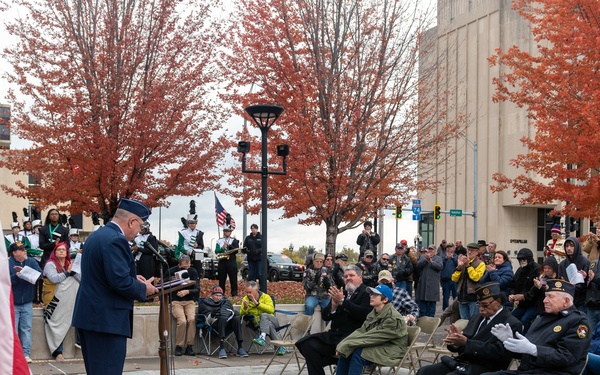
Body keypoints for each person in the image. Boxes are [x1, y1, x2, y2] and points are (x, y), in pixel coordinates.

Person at [72, 198, 158, 375]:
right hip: (106, 321)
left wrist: (133, 277)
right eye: (140, 226)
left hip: (93, 317)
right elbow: (119, 282)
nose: (139, 231)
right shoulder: (115, 240)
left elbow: (102, 274)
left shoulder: (98, 236)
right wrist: (144, 289)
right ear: (131, 221)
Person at [486, 279, 591, 375]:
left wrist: (535, 350)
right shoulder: (542, 318)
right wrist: (510, 342)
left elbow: (568, 357)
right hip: (528, 371)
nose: (545, 300)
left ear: (566, 301)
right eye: (545, 296)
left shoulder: (577, 321)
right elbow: (526, 354)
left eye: (550, 296)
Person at [416, 282, 523, 375]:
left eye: (485, 305)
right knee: (425, 371)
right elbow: (464, 342)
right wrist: (455, 341)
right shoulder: (477, 318)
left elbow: (500, 352)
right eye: (479, 305)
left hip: (485, 366)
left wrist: (467, 343)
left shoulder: (511, 322)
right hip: (463, 362)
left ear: (498, 302)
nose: (481, 309)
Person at [296, 264, 372, 375]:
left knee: (337, 350)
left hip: (352, 337)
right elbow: (325, 316)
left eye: (351, 275)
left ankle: (335, 360)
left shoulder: (366, 292)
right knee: (307, 344)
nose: (348, 278)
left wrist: (342, 302)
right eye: (345, 276)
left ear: (360, 277)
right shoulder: (343, 292)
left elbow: (363, 314)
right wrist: (333, 306)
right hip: (334, 335)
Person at [335, 284, 408, 375]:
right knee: (347, 351)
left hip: (392, 349)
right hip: (379, 345)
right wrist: (343, 343)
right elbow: (361, 331)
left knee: (359, 352)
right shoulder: (373, 313)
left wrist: (348, 344)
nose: (371, 296)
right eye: (371, 294)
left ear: (385, 300)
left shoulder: (393, 318)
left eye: (376, 295)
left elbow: (374, 337)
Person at [43, 242, 81, 361]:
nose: (61, 251)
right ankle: (57, 352)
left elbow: (81, 279)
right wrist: (67, 273)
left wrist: (73, 272)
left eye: (63, 250)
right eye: (59, 250)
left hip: (69, 298)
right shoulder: (50, 264)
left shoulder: (71, 263)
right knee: (55, 323)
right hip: (54, 298)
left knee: (79, 316)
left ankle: (80, 342)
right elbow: (54, 279)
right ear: (54, 252)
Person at [9, 242, 42, 363]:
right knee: (13, 329)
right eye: (21, 250)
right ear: (14, 253)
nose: (24, 251)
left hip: (27, 301)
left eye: (24, 249)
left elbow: (39, 276)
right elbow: (6, 281)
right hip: (13, 302)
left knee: (26, 328)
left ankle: (26, 354)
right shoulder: (8, 263)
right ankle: (14, 354)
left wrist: (25, 272)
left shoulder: (32, 261)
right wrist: (17, 276)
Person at [197, 285, 249, 359]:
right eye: (216, 295)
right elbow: (206, 321)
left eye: (220, 295)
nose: (218, 297)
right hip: (214, 324)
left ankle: (240, 347)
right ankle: (222, 347)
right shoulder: (205, 303)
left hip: (227, 324)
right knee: (222, 318)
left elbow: (231, 313)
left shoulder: (226, 302)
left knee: (236, 318)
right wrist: (212, 315)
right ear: (212, 295)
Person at [163, 254, 199, 356]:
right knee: (182, 321)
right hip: (176, 300)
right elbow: (162, 282)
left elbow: (197, 288)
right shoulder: (172, 270)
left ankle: (189, 346)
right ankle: (179, 346)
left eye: (188, 267)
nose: (186, 269)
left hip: (189, 300)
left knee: (191, 319)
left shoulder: (193, 271)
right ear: (179, 265)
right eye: (184, 267)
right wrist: (172, 279)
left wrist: (188, 291)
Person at [239, 281, 286, 355]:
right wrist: (245, 308)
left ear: (256, 290)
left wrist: (257, 304)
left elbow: (271, 310)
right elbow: (241, 315)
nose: (248, 295)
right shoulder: (245, 299)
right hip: (258, 324)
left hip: (272, 320)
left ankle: (262, 337)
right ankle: (280, 347)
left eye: (250, 292)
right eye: (247, 292)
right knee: (269, 325)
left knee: (264, 315)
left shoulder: (266, 297)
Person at [509, 247, 541, 333]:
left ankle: (526, 338)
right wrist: (512, 295)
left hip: (534, 304)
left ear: (529, 259)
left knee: (525, 320)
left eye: (524, 259)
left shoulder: (537, 269)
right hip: (522, 304)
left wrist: (524, 296)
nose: (522, 261)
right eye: (520, 259)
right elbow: (513, 284)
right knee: (511, 318)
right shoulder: (520, 270)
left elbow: (537, 289)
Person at [452, 242, 486, 320]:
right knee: (464, 322)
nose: (469, 252)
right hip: (462, 297)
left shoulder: (481, 264)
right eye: (468, 250)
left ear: (477, 252)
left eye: (472, 250)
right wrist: (459, 268)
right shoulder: (463, 262)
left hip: (473, 297)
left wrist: (468, 266)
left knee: (473, 321)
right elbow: (454, 278)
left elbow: (475, 278)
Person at [558, 236, 590, 313]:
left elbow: (587, 284)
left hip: (581, 302)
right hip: (566, 301)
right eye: (567, 246)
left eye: (572, 245)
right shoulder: (562, 264)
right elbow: (559, 281)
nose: (569, 248)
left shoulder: (585, 262)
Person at [415, 245, 443, 317]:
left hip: (433, 286)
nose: (430, 251)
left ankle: (431, 323)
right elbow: (418, 266)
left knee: (431, 308)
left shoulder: (438, 258)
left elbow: (440, 267)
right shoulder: (423, 257)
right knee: (422, 308)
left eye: (432, 250)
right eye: (429, 249)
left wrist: (431, 262)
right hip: (423, 286)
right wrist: (425, 260)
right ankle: (423, 323)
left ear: (435, 251)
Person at [215, 225, 240, 296]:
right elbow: (216, 251)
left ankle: (234, 293)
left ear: (230, 232)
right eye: (225, 231)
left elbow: (236, 250)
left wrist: (228, 245)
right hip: (222, 261)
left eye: (228, 231)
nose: (227, 233)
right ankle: (221, 293)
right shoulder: (219, 240)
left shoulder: (234, 240)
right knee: (222, 279)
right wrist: (222, 247)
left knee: (233, 278)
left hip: (231, 261)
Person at [440, 242, 458, 311]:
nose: (449, 249)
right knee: (445, 297)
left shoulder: (456, 256)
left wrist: (453, 258)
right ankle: (445, 311)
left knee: (455, 297)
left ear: (454, 248)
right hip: (445, 280)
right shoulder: (443, 256)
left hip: (454, 280)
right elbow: (440, 266)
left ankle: (456, 311)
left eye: (451, 247)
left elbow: (458, 264)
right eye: (448, 247)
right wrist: (446, 258)